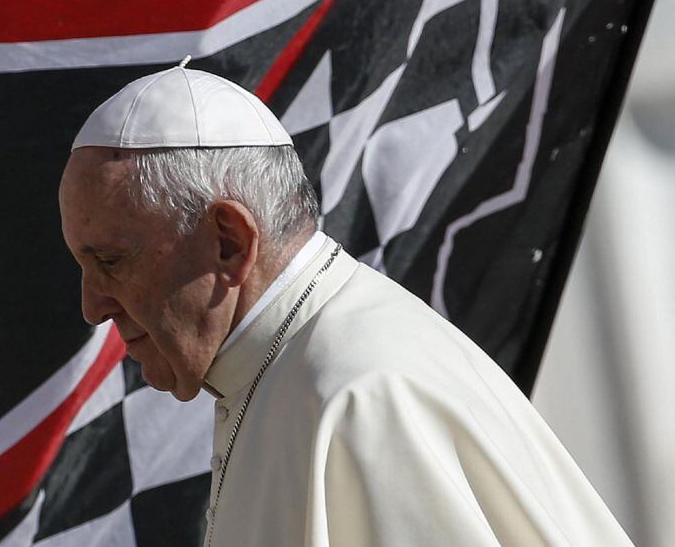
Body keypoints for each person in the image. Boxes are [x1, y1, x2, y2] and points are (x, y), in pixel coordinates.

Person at [58, 59, 632, 546]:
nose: (92, 307)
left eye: (110, 262)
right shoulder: (285, 371)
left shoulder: (359, 393)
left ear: (229, 241)